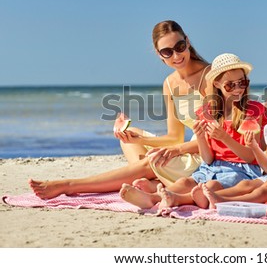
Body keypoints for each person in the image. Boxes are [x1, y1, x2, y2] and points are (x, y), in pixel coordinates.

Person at [29, 20, 210, 199]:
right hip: (185, 149)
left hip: (206, 156)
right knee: (131, 136)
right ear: (159, 54)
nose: (176, 56)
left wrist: (175, 151)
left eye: (179, 46)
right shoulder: (169, 84)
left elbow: (216, 137)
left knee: (150, 160)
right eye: (167, 52)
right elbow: (174, 137)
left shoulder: (209, 76)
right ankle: (155, 182)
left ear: (187, 41)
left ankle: (69, 185)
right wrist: (139, 139)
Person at [119, 53, 267, 209]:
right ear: (217, 84)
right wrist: (200, 138)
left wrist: (225, 138)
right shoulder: (207, 112)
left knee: (212, 186)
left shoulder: (253, 110)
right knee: (185, 182)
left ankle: (172, 199)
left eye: (242, 82)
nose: (238, 89)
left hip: (242, 170)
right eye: (230, 85)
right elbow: (208, 159)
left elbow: (250, 156)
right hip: (212, 166)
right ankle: (153, 198)